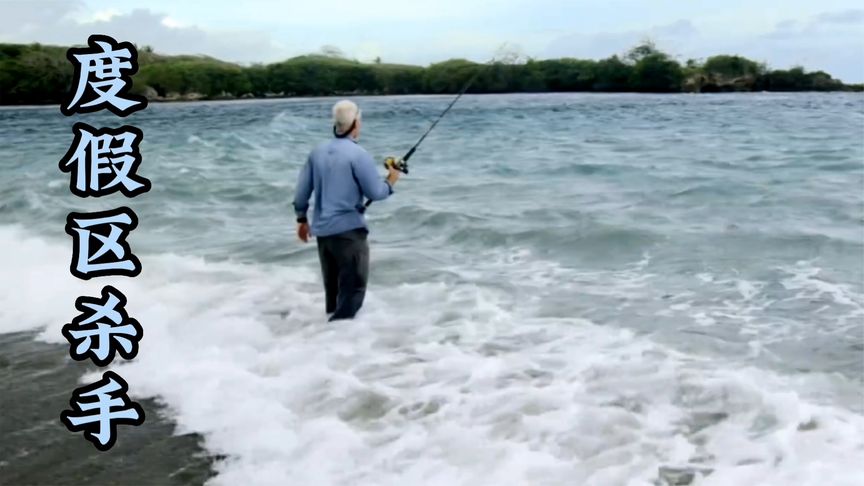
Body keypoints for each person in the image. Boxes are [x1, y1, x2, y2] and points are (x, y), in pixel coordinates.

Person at [293, 100, 401, 321]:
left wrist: (302, 219)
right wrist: (392, 178)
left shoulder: (317, 152)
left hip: (323, 234)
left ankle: (322, 342)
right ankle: (336, 344)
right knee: (352, 294)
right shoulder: (358, 154)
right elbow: (376, 192)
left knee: (333, 296)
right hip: (349, 234)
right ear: (355, 123)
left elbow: (301, 193)